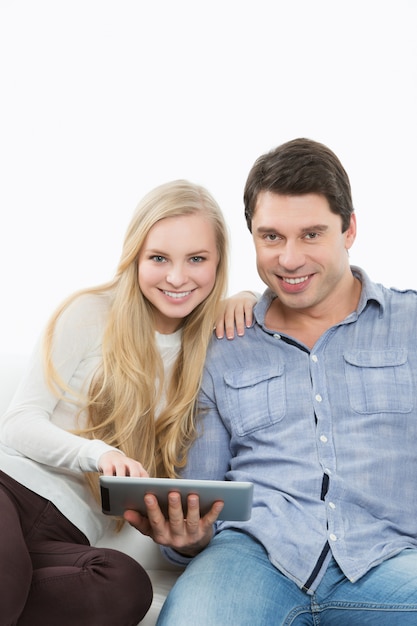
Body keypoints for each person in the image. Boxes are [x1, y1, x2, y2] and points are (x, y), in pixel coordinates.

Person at [126, 139, 417, 625]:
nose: (289, 259)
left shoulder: (409, 324)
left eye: (311, 234)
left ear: (349, 230)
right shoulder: (221, 343)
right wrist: (189, 535)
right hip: (251, 560)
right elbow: (200, 492)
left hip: (389, 558)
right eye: (272, 237)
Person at [0, 179, 256, 626]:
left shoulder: (207, 351)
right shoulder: (91, 311)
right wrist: (99, 454)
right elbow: (19, 423)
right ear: (136, 256)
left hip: (70, 536)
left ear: (218, 264)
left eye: (197, 259)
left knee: (126, 585)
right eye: (159, 258)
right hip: (9, 490)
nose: (177, 277)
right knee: (8, 572)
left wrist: (250, 298)